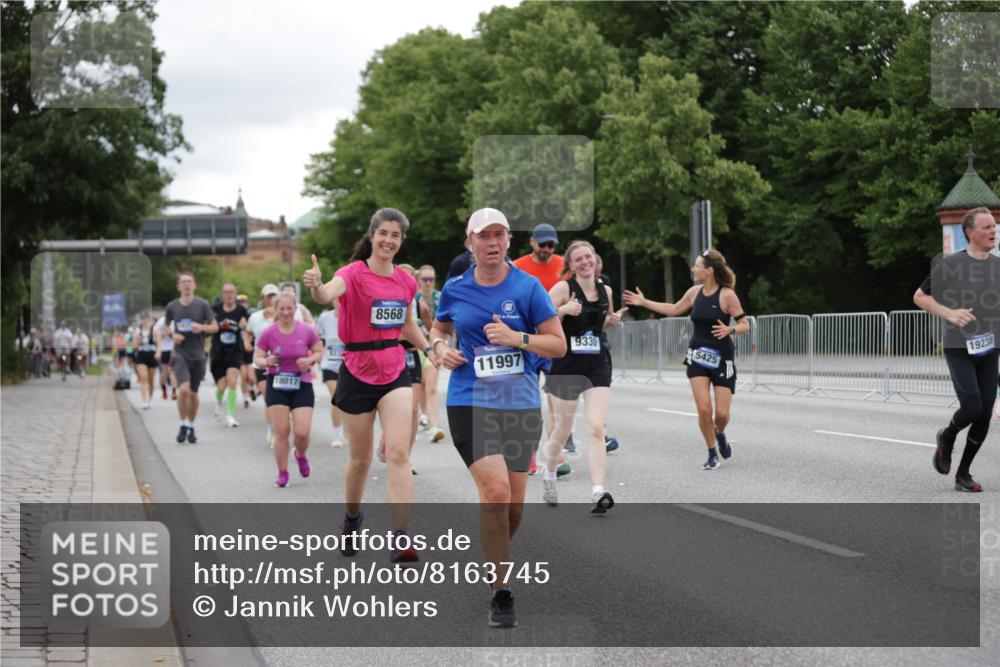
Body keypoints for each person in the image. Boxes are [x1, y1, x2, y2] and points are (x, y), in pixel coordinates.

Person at [428, 207, 565, 628]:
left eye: (499, 235)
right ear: (469, 242)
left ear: (508, 240)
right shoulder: (456, 288)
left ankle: (494, 553)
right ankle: (502, 591)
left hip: (519, 403)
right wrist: (439, 349)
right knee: (495, 492)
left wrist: (517, 338)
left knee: (513, 507)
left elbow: (558, 345)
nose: (492, 243)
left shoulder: (528, 288)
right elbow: (438, 329)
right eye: (483, 236)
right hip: (470, 399)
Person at [303, 207, 435, 565]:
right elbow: (326, 294)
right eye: (383, 233)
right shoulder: (352, 274)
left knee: (398, 453)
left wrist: (429, 348)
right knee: (360, 460)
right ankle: (351, 518)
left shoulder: (405, 281)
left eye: (395, 235)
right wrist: (316, 285)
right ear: (372, 235)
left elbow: (406, 325)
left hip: (394, 368)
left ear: (401, 241)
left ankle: (401, 537)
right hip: (357, 370)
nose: (388, 240)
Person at [624, 249, 749, 470]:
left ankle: (720, 433)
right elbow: (673, 309)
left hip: (722, 358)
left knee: (721, 414)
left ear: (709, 270)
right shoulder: (694, 292)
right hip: (697, 356)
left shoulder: (727, 295)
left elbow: (745, 325)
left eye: (697, 265)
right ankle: (712, 452)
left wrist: (730, 330)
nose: (693, 269)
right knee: (704, 409)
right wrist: (644, 302)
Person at [914, 207, 1000, 493]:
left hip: (990, 347)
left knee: (984, 414)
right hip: (959, 346)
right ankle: (948, 436)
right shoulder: (950, 264)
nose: (993, 230)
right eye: (987, 227)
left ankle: (963, 474)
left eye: (994, 225)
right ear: (970, 233)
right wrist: (949, 313)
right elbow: (920, 297)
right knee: (973, 407)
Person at [540, 241, 627, 512]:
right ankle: (549, 473)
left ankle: (597, 490)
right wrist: (563, 310)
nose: (585, 262)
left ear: (594, 259)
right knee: (562, 429)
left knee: (596, 427)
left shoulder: (606, 290)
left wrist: (611, 321)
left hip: (597, 363)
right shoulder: (563, 289)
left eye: (588, 257)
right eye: (578, 259)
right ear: (571, 265)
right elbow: (540, 319)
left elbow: (601, 322)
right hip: (567, 364)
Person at [512, 223, 570, 474]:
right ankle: (530, 455)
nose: (547, 249)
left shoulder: (563, 266)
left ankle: (556, 456)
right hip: (528, 343)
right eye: (543, 244)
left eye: (551, 245)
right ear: (532, 242)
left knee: (556, 401)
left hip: (555, 341)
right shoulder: (517, 267)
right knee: (529, 403)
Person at [254, 293, 324, 487]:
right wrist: (266, 361)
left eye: (289, 308)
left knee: (302, 433)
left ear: (296, 309)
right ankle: (282, 472)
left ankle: (300, 454)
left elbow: (319, 351)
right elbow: (258, 357)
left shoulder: (307, 330)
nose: (286, 312)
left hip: (302, 383)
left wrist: (309, 360)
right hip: (277, 384)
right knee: (282, 432)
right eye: (282, 309)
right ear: (276, 310)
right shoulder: (269, 332)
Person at [164, 271, 218, 444]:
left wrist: (202, 327)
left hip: (198, 355)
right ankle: (182, 423)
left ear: (194, 285)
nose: (187, 284)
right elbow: (166, 327)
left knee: (194, 395)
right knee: (184, 390)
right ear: (178, 286)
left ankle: (190, 424)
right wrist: (173, 335)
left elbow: (215, 327)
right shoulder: (172, 306)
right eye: (184, 282)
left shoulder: (202, 305)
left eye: (189, 282)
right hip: (180, 354)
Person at [210, 283, 249, 427]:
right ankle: (219, 402)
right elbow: (207, 326)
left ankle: (230, 415)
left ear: (235, 294)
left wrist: (245, 326)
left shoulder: (241, 310)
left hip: (235, 352)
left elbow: (249, 327)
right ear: (222, 294)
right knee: (221, 386)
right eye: (226, 292)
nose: (229, 295)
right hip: (218, 352)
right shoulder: (214, 309)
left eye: (232, 292)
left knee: (232, 381)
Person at [246, 284, 279, 446]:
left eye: (274, 295)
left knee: (281, 400)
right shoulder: (255, 317)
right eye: (269, 296)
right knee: (269, 398)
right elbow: (248, 332)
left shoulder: (285, 315)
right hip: (261, 363)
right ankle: (273, 430)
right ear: (263, 298)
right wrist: (247, 342)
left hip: (281, 365)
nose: (272, 299)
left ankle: (279, 428)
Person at [416, 264, 445, 443]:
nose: (428, 283)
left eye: (431, 279)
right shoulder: (413, 297)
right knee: (420, 384)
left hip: (433, 345)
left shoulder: (439, 297)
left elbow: (446, 323)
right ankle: (424, 415)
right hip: (415, 346)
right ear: (418, 280)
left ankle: (433, 427)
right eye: (424, 279)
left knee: (432, 387)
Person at [316, 300, 346, 448]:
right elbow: (318, 338)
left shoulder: (352, 316)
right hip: (330, 365)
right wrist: (320, 354)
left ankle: (349, 429)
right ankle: (337, 435)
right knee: (336, 396)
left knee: (348, 400)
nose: (339, 302)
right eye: (336, 299)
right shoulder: (324, 318)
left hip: (348, 366)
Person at [132, 316, 158, 408]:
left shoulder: (155, 331)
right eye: (143, 319)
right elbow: (134, 346)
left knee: (151, 380)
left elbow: (159, 343)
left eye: (147, 319)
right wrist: (137, 339)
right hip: (141, 355)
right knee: (143, 378)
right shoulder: (137, 331)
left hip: (152, 355)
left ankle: (150, 399)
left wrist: (158, 352)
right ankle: (144, 400)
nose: (145, 321)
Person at [237, 293, 257, 407]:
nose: (242, 304)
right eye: (240, 303)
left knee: (251, 377)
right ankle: (245, 397)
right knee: (243, 375)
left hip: (250, 349)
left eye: (244, 302)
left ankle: (251, 388)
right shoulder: (234, 316)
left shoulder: (252, 316)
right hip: (239, 350)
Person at [154, 314, 177, 401]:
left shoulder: (177, 319)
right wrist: (158, 350)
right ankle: (163, 388)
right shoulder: (161, 321)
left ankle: (174, 392)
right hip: (164, 349)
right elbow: (156, 335)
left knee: (174, 371)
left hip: (175, 349)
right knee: (165, 371)